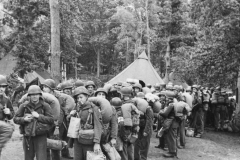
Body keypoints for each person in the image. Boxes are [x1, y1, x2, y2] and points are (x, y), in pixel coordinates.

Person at [14, 85, 54, 160]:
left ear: (39, 95)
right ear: (29, 96)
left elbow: (51, 120)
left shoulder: (45, 106)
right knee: (28, 158)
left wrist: (39, 116)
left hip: (41, 136)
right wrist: (24, 119)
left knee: (41, 158)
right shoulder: (24, 106)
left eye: (36, 94)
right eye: (32, 95)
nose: (34, 96)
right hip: (27, 137)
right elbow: (15, 119)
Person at [42, 79, 75, 159]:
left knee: (56, 142)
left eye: (46, 87)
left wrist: (58, 122)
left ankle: (60, 156)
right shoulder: (43, 97)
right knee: (45, 141)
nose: (44, 88)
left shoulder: (59, 97)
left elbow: (61, 110)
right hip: (46, 121)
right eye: (43, 86)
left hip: (58, 122)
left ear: (51, 88)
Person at [69, 86, 102, 160]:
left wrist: (97, 143)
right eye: (77, 98)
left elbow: (98, 126)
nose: (79, 99)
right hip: (78, 140)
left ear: (87, 96)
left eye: (81, 97)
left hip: (89, 141)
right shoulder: (77, 108)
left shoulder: (94, 108)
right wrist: (71, 115)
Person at [118, 86, 140, 160]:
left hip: (126, 128)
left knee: (126, 148)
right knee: (129, 147)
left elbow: (135, 118)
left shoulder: (128, 104)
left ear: (123, 95)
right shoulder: (133, 103)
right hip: (130, 127)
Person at [134, 95, 154, 160]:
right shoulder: (136, 107)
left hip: (145, 128)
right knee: (136, 143)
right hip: (139, 128)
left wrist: (146, 131)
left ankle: (143, 158)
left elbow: (149, 120)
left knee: (144, 144)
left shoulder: (148, 109)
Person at [0, 75, 15, 156]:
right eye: (0, 86)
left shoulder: (6, 99)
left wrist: (9, 113)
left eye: (3, 87)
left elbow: (12, 114)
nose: (1, 89)